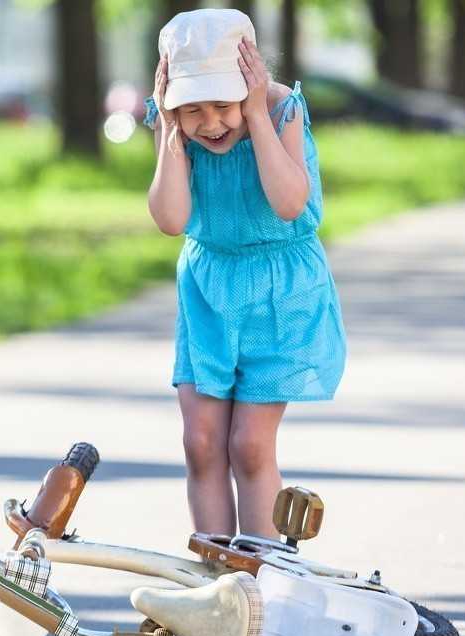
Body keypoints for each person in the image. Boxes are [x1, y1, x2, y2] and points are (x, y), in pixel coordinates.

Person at [144, 8, 346, 539]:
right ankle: (215, 586)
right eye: (192, 109)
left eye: (222, 104)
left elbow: (288, 202)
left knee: (250, 446)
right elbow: (170, 220)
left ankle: (257, 582)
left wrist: (255, 117)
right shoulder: (176, 126)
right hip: (209, 289)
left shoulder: (280, 110)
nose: (209, 123)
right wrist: (168, 129)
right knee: (201, 442)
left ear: (249, 85)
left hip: (281, 292)